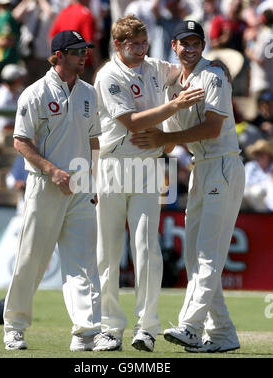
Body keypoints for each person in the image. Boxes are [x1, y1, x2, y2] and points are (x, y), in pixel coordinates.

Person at [131, 20, 245, 353]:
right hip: (200, 168)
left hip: (223, 164)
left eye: (196, 42)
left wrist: (166, 137)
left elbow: (212, 128)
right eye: (185, 43)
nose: (190, 48)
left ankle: (191, 326)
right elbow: (166, 144)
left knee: (207, 255)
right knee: (196, 258)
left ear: (203, 46)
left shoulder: (213, 76)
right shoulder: (172, 85)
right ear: (176, 47)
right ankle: (222, 334)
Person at [3, 30, 120, 352]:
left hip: (81, 188)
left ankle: (85, 331)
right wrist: (52, 171)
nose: (84, 55)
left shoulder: (88, 93)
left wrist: (94, 179)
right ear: (58, 56)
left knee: (83, 263)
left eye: (85, 50)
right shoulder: (35, 93)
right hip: (45, 187)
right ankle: (14, 326)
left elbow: (94, 139)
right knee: (32, 260)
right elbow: (20, 141)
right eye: (76, 51)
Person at [94, 15, 206, 352]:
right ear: (118, 45)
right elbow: (130, 121)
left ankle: (147, 327)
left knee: (147, 248)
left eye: (144, 43)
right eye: (134, 45)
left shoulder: (155, 66)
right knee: (109, 252)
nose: (141, 49)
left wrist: (218, 67)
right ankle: (110, 328)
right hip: (114, 165)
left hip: (147, 167)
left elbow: (187, 69)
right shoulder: (109, 76)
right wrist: (173, 108)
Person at [49, 0, 99, 84]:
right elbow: (90, 43)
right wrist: (97, 67)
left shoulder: (63, 12)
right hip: (83, 69)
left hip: (64, 66)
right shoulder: (85, 13)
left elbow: (52, 37)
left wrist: (57, 61)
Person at [0, 64, 27, 146]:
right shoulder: (2, 97)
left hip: (14, 133)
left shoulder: (16, 93)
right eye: (20, 78)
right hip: (4, 135)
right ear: (17, 80)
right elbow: (5, 126)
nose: (22, 80)